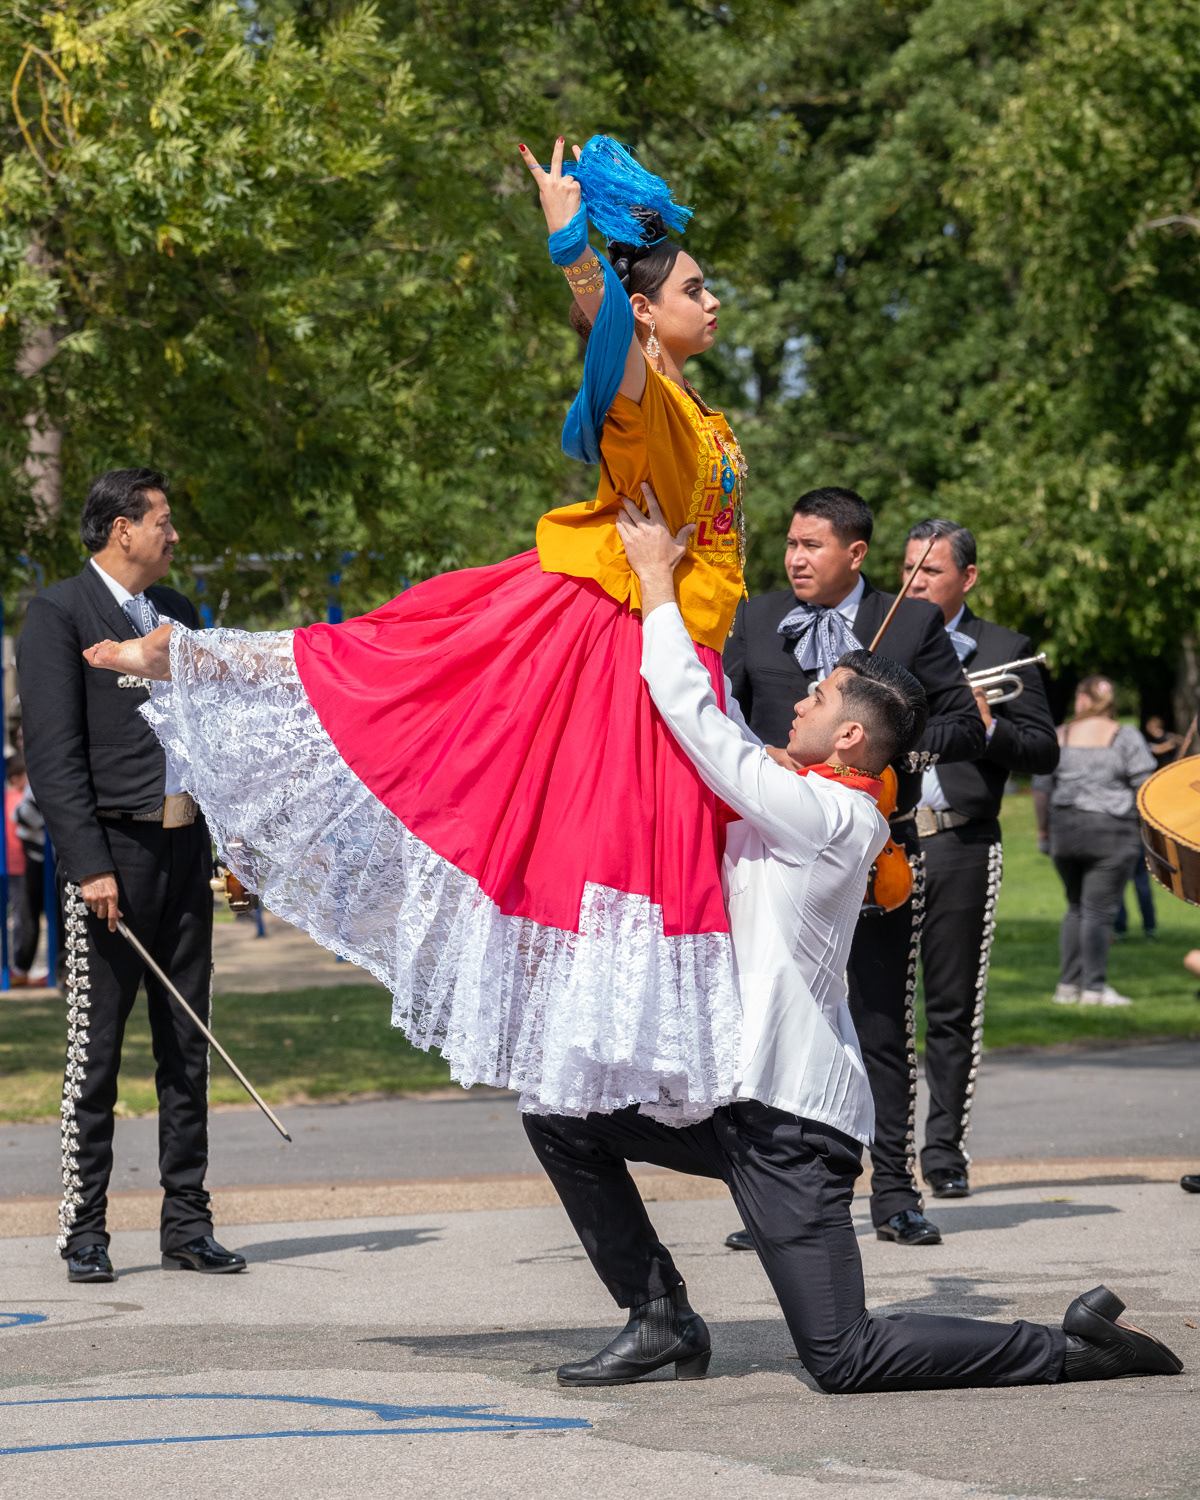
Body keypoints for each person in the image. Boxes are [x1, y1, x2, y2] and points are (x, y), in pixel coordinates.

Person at [81, 136, 748, 1124]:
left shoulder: (697, 408)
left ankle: (653, 1093)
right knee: (400, 683)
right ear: (648, 311)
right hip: (607, 638)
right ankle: (191, 654)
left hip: (679, 649)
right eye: (696, 288)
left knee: (656, 853)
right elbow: (603, 330)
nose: (715, 299)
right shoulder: (643, 399)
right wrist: (572, 238)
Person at [520, 484, 1181, 1393]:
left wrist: (658, 588)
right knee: (558, 1113)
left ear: (852, 735)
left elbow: (706, 733)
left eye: (821, 694)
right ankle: (660, 1315)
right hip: (725, 1096)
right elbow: (701, 742)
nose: (799, 698)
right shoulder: (804, 793)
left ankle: (1072, 1347)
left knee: (843, 1356)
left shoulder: (830, 817)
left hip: (792, 1124)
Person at [723, 488, 983, 1247]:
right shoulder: (755, 615)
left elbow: (965, 724)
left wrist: (894, 748)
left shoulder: (912, 620)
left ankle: (895, 1191)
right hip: (776, 853)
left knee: (879, 1024)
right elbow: (731, 714)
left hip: (870, 856)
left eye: (813, 546)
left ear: (857, 554)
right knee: (773, 1018)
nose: (796, 558)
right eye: (791, 545)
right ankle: (776, 1193)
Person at [18, 468, 246, 1283]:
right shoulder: (57, 614)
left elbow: (205, 742)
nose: (173, 535)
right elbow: (52, 756)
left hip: (184, 853)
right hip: (110, 861)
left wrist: (231, 848)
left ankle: (188, 1224)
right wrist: (88, 866)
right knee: (99, 1055)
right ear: (122, 529)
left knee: (189, 1045)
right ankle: (85, 1232)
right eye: (163, 521)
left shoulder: (180, 616)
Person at [897, 518, 1058, 1201]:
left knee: (952, 1008)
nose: (913, 583)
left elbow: (1043, 750)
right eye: (906, 569)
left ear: (967, 578)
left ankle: (943, 1153)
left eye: (929, 572)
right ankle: (878, 1155)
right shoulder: (884, 636)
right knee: (877, 1011)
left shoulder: (1005, 649)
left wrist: (988, 726)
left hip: (963, 838)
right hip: (890, 838)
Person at [1032, 677, 1156, 1007]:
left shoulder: (1060, 735)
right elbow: (1145, 786)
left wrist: (1043, 832)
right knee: (1099, 912)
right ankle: (1094, 988)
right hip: (1111, 832)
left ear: (1084, 700)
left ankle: (1067, 988)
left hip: (1065, 831)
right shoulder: (1125, 735)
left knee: (1075, 907)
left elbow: (1042, 788)